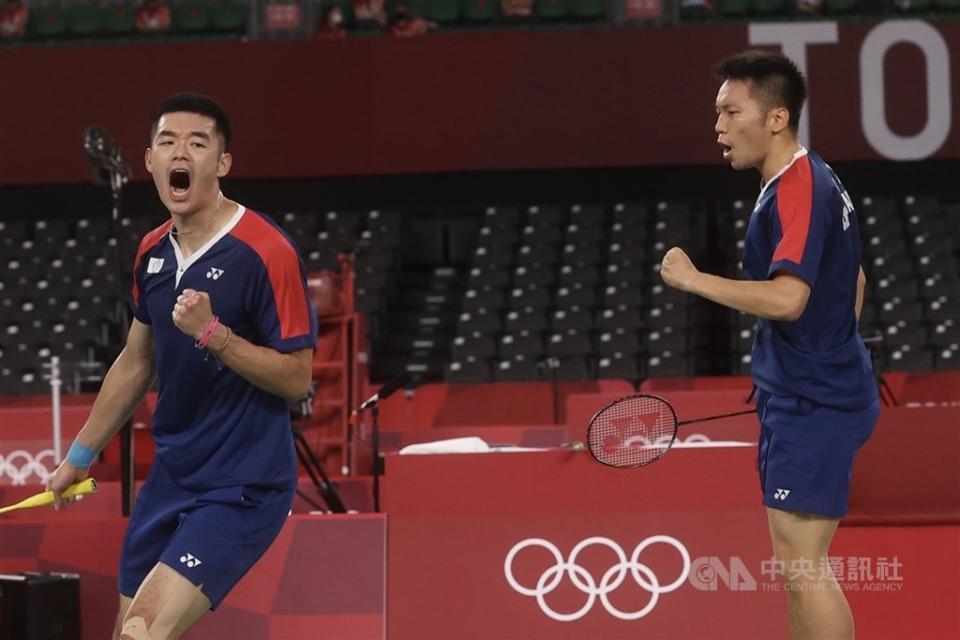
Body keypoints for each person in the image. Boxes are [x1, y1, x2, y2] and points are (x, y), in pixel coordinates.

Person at [45, 92, 317, 640]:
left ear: (222, 163)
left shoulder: (266, 251)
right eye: (168, 142)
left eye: (198, 143)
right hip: (173, 474)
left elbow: (298, 378)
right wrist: (80, 453)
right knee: (126, 633)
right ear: (150, 161)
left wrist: (215, 336)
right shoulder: (152, 253)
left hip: (243, 481)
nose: (181, 153)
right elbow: (135, 360)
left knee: (143, 631)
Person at [660, 50, 879, 639]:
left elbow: (788, 300)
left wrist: (693, 279)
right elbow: (852, 279)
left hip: (816, 402)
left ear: (777, 118)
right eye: (717, 113)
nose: (719, 126)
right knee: (794, 566)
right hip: (808, 391)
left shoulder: (799, 189)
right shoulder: (796, 181)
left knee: (805, 565)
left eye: (732, 112)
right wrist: (824, 352)